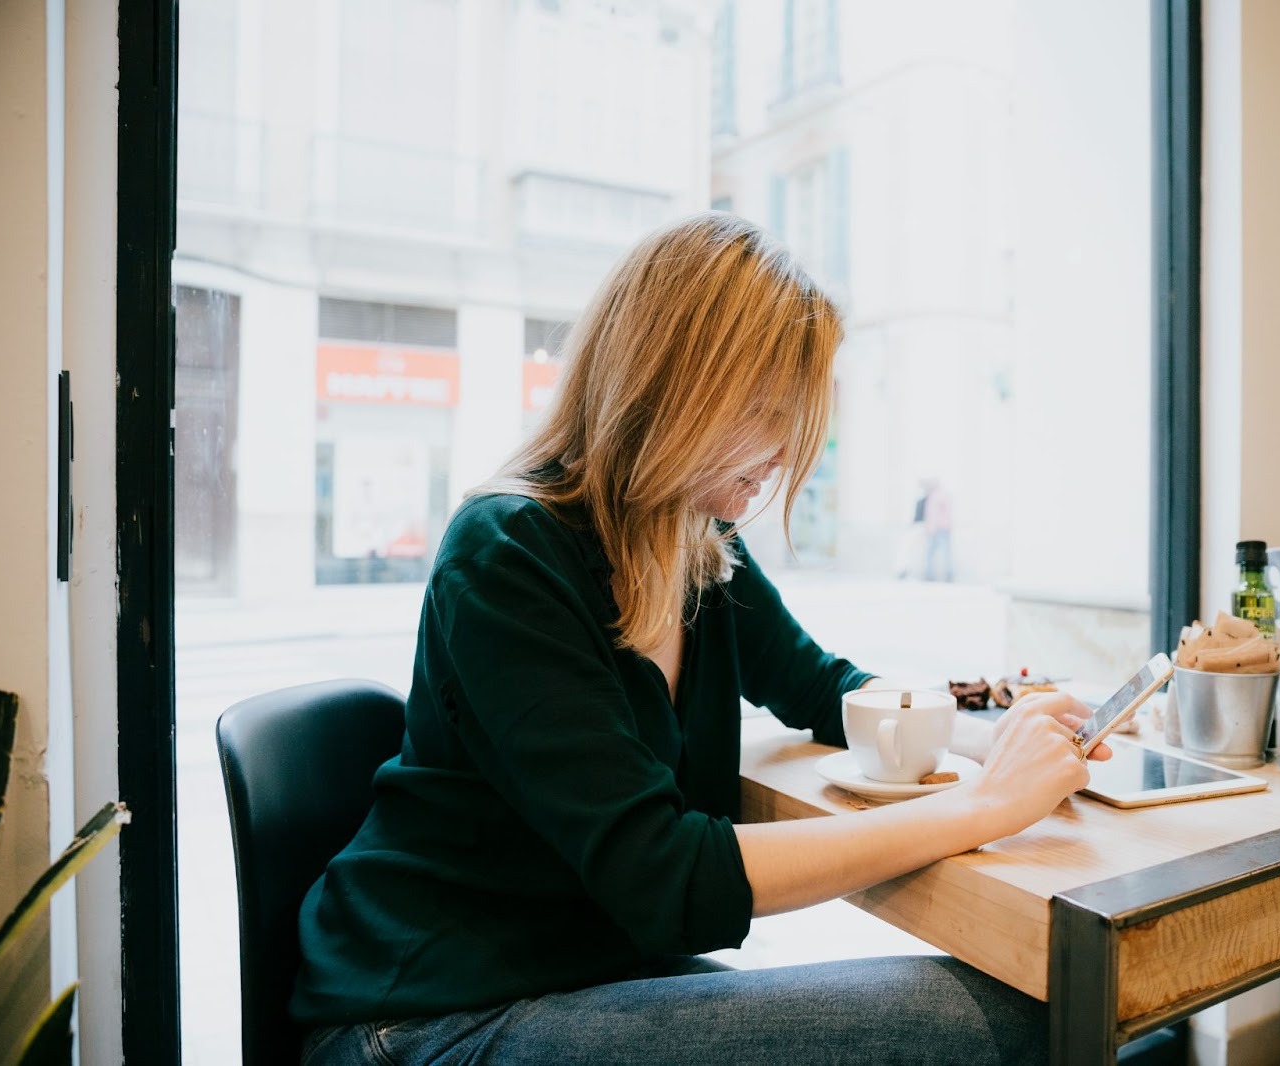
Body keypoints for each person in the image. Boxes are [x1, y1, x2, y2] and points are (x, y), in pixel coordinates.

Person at [292, 213, 1109, 1065]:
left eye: (800, 419)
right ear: (670, 382)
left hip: (583, 972)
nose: (792, 451)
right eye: (766, 411)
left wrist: (1006, 745)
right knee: (1011, 1024)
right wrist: (979, 807)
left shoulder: (699, 545)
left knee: (1033, 1005)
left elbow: (820, 687)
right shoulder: (507, 554)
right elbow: (665, 878)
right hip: (427, 1016)